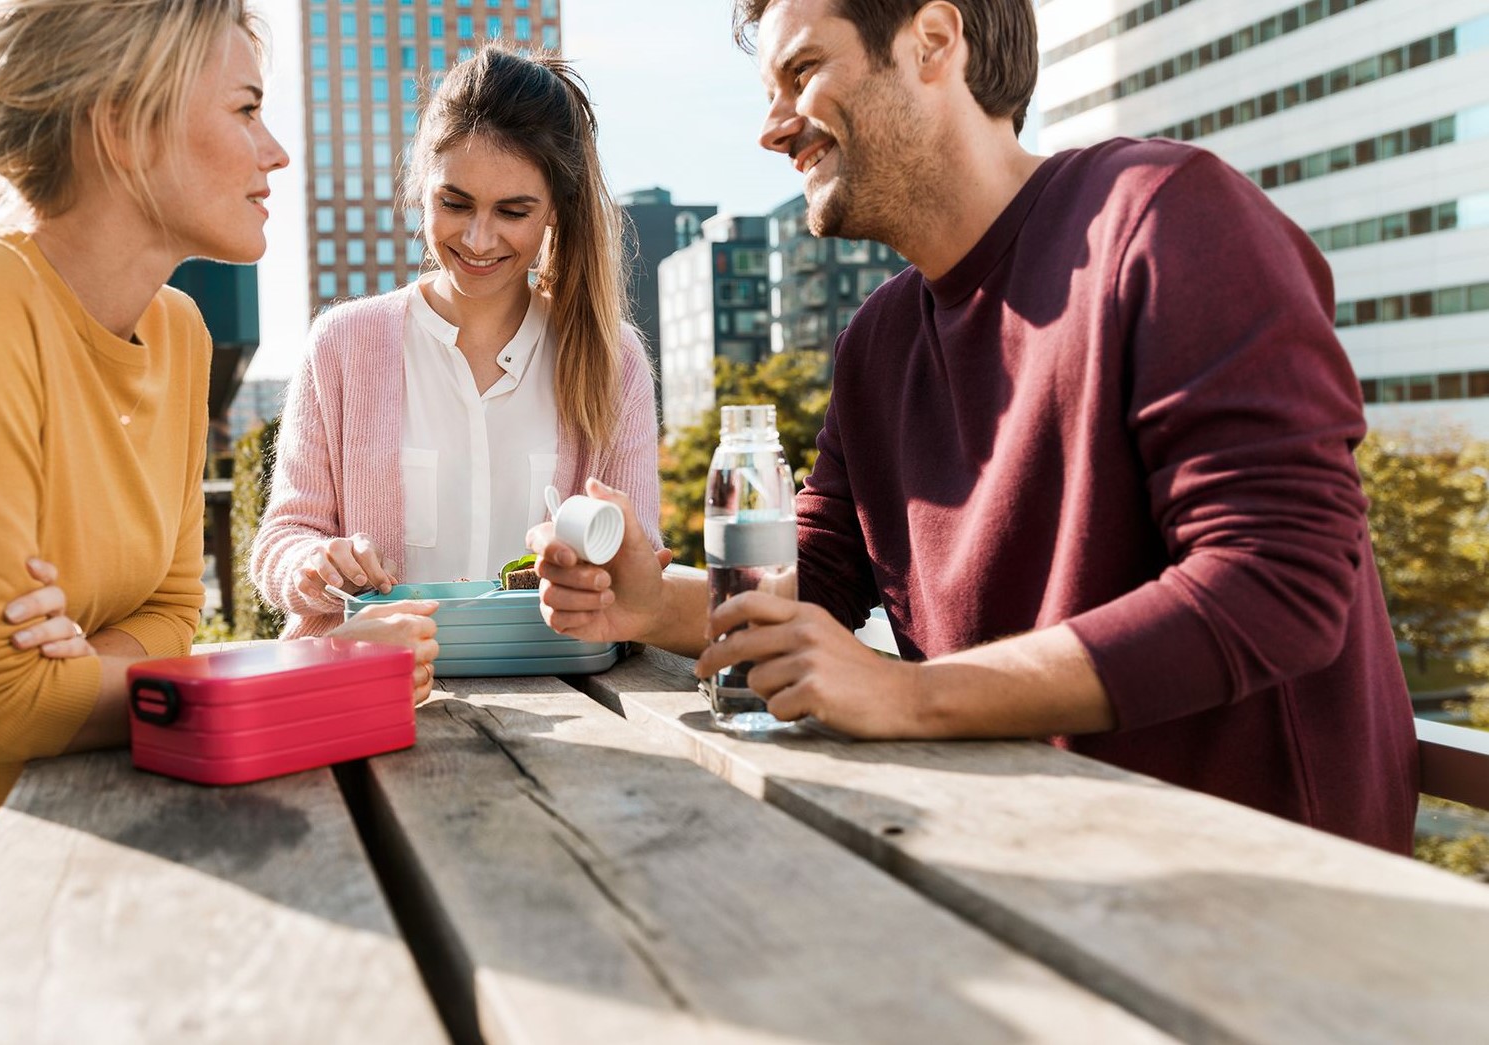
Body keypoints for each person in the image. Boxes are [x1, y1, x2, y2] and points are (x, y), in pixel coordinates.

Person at [529, 0, 1418, 852]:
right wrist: (647, 598)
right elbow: (818, 583)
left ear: (933, 40)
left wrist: (911, 696)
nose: (772, 128)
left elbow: (1280, 580)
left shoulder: (1165, 217)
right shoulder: (876, 343)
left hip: (1266, 911)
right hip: (1014, 863)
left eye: (801, 71)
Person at [0, 3, 438, 1041]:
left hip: (92, 859)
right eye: (244, 109)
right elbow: (3, 704)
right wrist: (307, 672)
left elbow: (175, 611)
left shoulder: (179, 333)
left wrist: (85, 667)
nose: (275, 149)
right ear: (122, 125)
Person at [251, 45, 664, 638]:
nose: (478, 238)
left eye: (513, 211)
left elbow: (638, 557)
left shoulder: (613, 359)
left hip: (565, 690)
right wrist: (316, 565)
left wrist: (608, 569)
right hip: (383, 689)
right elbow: (282, 541)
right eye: (455, 203)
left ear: (554, 212)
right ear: (423, 187)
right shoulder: (342, 345)